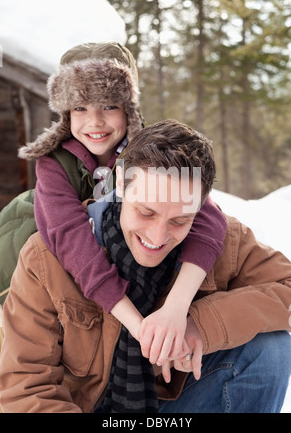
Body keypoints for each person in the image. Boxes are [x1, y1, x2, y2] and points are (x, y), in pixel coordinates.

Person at [0, 119, 291, 413]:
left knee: (271, 350)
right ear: (122, 188)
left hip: (166, 405)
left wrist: (199, 326)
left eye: (180, 221)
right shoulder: (44, 260)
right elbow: (26, 390)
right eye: (146, 212)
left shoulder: (225, 242)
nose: (157, 236)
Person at [17, 42, 227, 364]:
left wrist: (176, 306)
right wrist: (139, 328)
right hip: (32, 265)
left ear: (129, 107)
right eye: (80, 108)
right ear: (65, 112)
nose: (95, 122)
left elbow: (206, 217)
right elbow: (73, 242)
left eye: (109, 106)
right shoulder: (53, 163)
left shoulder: (148, 153)